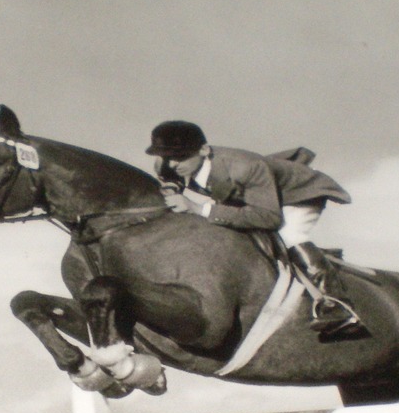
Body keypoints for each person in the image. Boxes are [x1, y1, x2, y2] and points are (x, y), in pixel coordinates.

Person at [145, 120, 364, 339]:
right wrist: (172, 190)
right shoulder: (168, 164)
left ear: (204, 150)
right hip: (254, 198)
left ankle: (338, 306)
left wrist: (199, 208)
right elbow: (169, 178)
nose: (172, 164)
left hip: (298, 194)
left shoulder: (244, 167)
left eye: (180, 156)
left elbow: (269, 218)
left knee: (288, 236)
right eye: (166, 157)